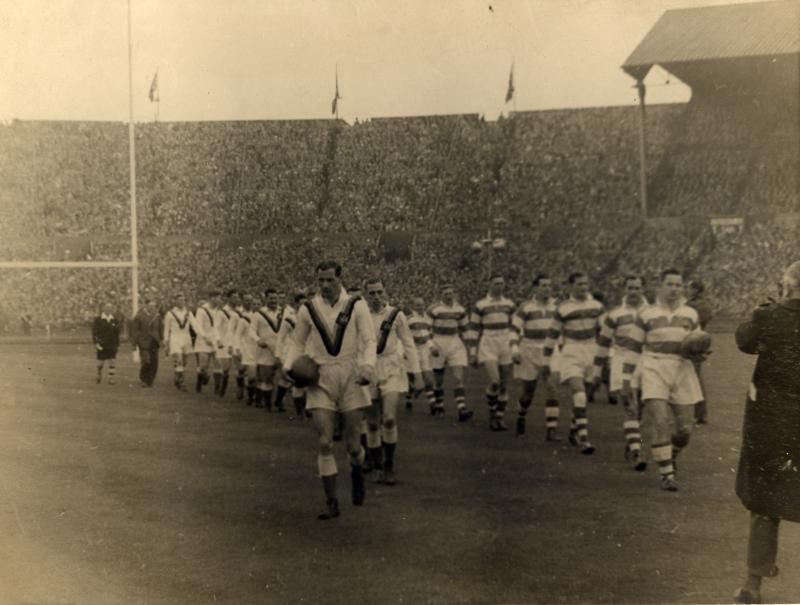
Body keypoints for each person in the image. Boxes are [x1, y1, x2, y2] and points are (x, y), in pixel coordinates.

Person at [282, 260, 376, 520]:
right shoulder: (307, 309)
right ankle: (331, 501)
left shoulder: (357, 305)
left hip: (351, 376)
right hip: (320, 377)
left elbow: (369, 340)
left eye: (329, 280)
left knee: (353, 445)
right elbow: (297, 342)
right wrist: (289, 366)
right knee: (324, 442)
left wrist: (368, 366)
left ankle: (357, 469)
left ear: (340, 279)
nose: (324, 285)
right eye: (320, 280)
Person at [732, 260, 800, 605]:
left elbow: (744, 340)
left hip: (772, 424)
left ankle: (753, 586)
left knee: (764, 504)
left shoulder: (770, 314)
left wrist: (772, 303)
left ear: (788, 284)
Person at [623, 269, 705, 491]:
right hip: (654, 366)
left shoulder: (690, 314)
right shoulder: (647, 314)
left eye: (678, 285)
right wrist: (627, 382)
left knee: (684, 430)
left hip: (681, 368)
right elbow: (632, 349)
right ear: (660, 286)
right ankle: (666, 475)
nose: (674, 289)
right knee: (660, 421)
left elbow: (698, 343)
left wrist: (700, 352)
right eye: (670, 284)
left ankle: (672, 455)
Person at [363, 277, 422, 485]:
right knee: (371, 423)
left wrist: (417, 373)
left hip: (391, 367)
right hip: (368, 369)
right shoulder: (359, 315)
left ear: (385, 292)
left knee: (388, 418)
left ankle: (389, 466)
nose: (376, 297)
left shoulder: (396, 315)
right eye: (371, 293)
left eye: (379, 292)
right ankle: (377, 465)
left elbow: (409, 344)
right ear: (366, 295)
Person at [543, 272, 604, 455]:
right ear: (571, 286)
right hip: (571, 351)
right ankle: (583, 438)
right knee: (579, 394)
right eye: (579, 284)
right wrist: (546, 362)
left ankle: (573, 429)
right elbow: (552, 335)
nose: (583, 287)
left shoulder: (597, 306)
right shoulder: (563, 308)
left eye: (585, 284)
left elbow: (605, 331)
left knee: (584, 395)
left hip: (592, 351)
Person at [593, 275, 649, 471]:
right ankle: (636, 452)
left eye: (637, 288)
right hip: (622, 360)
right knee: (630, 406)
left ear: (643, 289)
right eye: (630, 288)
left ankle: (632, 442)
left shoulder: (652, 313)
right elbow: (603, 343)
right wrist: (597, 370)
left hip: (647, 360)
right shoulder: (615, 314)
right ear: (625, 290)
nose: (633, 292)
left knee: (641, 408)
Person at [512, 274, 562, 440]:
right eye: (543, 285)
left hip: (550, 350)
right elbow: (514, 330)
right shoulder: (525, 307)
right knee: (528, 394)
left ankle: (552, 430)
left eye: (549, 285)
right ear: (535, 288)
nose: (547, 288)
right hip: (529, 350)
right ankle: (521, 414)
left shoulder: (557, 307)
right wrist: (514, 350)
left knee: (552, 387)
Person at [466, 274, 516, 431]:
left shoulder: (509, 304)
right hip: (488, 343)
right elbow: (473, 330)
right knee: (495, 381)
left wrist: (515, 348)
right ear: (490, 285)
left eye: (502, 283)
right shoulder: (480, 305)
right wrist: (473, 353)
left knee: (504, 385)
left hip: (505, 342)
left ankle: (498, 417)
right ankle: (493, 414)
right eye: (496, 283)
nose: (499, 286)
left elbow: (515, 327)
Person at [427, 285, 474, 421]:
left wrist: (471, 350)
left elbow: (466, 330)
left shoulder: (460, 309)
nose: (449, 296)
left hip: (455, 343)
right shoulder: (434, 309)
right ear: (441, 295)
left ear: (454, 294)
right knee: (439, 381)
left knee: (458, 378)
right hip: (438, 343)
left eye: (451, 293)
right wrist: (431, 346)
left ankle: (462, 409)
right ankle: (439, 405)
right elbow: (426, 330)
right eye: (446, 293)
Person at [251, 288, 283, 410]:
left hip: (281, 349)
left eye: (275, 298)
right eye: (271, 298)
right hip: (265, 349)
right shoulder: (258, 314)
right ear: (266, 299)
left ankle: (278, 402)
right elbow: (251, 330)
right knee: (267, 378)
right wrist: (258, 340)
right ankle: (267, 404)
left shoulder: (284, 312)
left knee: (283, 377)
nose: (274, 300)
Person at [686, 279, 713, 424]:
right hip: (699, 342)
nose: (687, 290)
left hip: (692, 343)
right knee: (695, 378)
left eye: (689, 288)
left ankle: (700, 414)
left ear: (696, 290)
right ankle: (700, 413)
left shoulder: (692, 305)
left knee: (693, 379)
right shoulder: (705, 304)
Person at [405, 296, 438, 414]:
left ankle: (432, 404)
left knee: (428, 378)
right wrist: (404, 351)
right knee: (412, 380)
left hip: (424, 350)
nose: (421, 307)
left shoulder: (427, 320)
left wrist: (432, 346)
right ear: (413, 307)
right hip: (412, 350)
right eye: (418, 305)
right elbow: (403, 337)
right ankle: (409, 399)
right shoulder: (408, 319)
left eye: (422, 304)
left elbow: (428, 336)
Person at [162, 293, 196, 391]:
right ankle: (182, 382)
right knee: (179, 359)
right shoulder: (170, 313)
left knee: (184, 361)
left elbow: (195, 325)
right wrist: (166, 341)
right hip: (175, 337)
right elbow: (166, 329)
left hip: (186, 337)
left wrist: (203, 336)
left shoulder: (188, 313)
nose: (182, 302)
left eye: (183, 300)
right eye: (180, 300)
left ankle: (177, 376)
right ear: (176, 301)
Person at [130, 298, 164, 388]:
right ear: (146, 305)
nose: (152, 307)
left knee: (154, 362)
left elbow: (161, 328)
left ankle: (150, 380)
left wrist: (162, 340)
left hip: (155, 341)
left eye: (154, 306)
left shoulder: (157, 316)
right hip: (143, 341)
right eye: (150, 305)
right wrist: (134, 344)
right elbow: (134, 331)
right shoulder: (139, 316)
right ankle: (143, 379)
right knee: (146, 361)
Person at [91, 302, 122, 384]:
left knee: (112, 360)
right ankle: (99, 373)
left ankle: (111, 378)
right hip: (102, 343)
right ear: (103, 309)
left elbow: (117, 333)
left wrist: (118, 344)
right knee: (100, 362)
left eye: (110, 308)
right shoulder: (98, 319)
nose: (109, 309)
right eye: (107, 307)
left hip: (112, 343)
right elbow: (94, 332)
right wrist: (96, 343)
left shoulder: (114, 319)